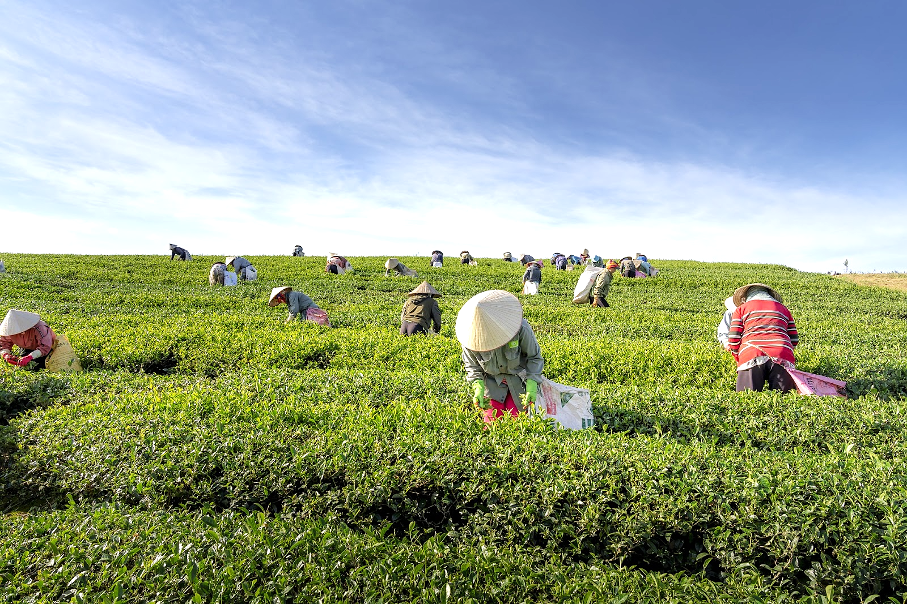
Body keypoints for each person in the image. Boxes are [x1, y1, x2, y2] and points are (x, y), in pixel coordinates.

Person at [456, 290, 544, 424]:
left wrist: (532, 383)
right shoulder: (470, 338)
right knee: (491, 424)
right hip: (492, 385)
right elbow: (472, 366)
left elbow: (534, 357)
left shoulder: (521, 328)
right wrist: (478, 386)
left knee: (517, 423)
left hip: (518, 381)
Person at [727, 283, 799, 393]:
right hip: (782, 354)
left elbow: (733, 338)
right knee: (783, 399)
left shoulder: (742, 309)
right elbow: (794, 339)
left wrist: (738, 355)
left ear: (746, 298)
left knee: (747, 397)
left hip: (752, 352)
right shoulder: (784, 309)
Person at [1, 309, 81, 372]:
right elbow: (4, 344)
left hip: (47, 350)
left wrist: (30, 357)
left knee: (39, 366)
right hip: (27, 348)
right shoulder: (9, 330)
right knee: (24, 366)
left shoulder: (40, 327)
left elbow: (45, 347)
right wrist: (6, 355)